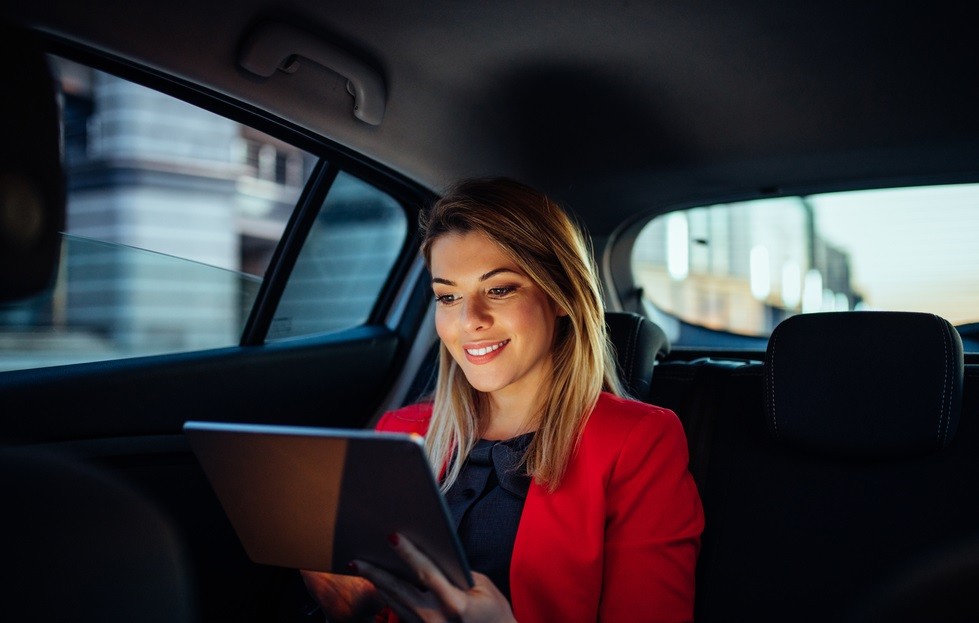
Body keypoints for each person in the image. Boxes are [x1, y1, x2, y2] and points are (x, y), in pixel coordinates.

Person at [302, 177, 704, 622]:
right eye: (448, 296)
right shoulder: (401, 432)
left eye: (499, 289)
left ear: (561, 295)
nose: (469, 320)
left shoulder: (638, 441)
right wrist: (355, 608)